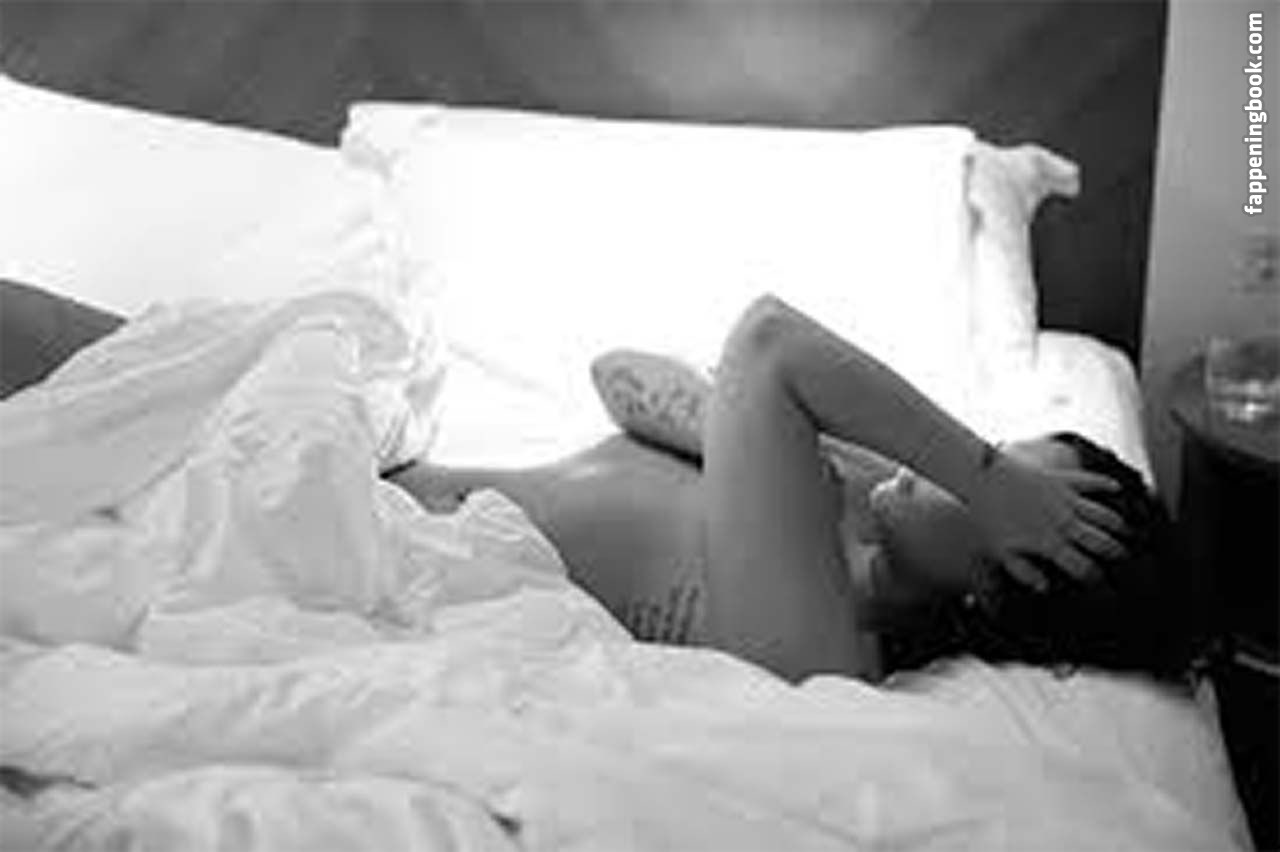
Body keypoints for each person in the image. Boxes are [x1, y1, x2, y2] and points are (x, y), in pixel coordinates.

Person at [389, 295, 1191, 684]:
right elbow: (619, 377)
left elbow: (769, 341)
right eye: (999, 453)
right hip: (390, 489)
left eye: (999, 486)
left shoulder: (819, 646)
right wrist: (779, 454)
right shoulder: (845, 496)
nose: (962, 459)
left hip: (388, 547)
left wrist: (987, 478)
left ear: (996, 585)